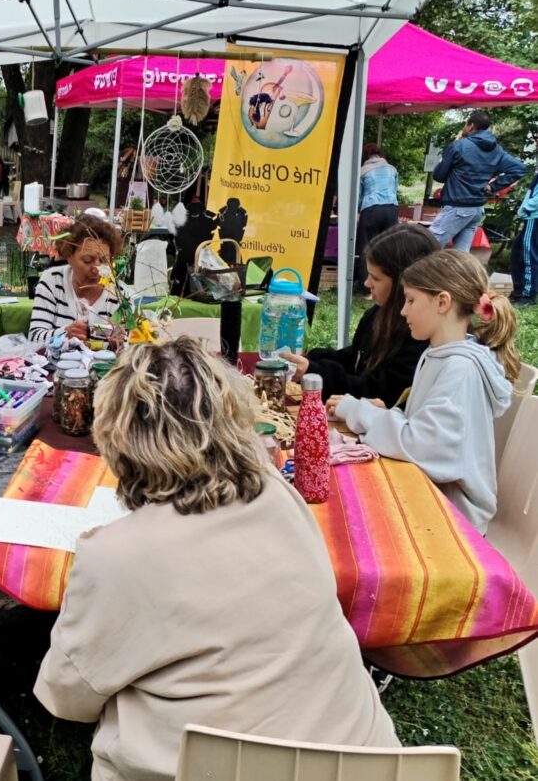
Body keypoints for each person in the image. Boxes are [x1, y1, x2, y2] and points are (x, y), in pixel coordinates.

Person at [34, 338, 400, 780]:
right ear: (235, 418)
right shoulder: (278, 494)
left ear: (118, 437)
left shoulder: (115, 554)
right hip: (358, 765)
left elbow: (68, 695)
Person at [333, 250, 517, 533]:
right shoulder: (440, 354)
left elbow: (421, 446)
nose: (403, 310)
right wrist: (386, 413)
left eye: (410, 300)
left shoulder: (459, 369)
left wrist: (358, 411)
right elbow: (427, 430)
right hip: (433, 498)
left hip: (454, 518)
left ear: (442, 302)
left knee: (349, 520)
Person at [281, 224, 438, 407]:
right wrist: (314, 358)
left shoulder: (421, 336)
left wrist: (316, 372)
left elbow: (380, 393)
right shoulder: (377, 316)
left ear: (404, 283)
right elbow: (357, 357)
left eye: (376, 278)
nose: (366, 283)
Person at [429, 111, 526, 253]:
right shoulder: (496, 150)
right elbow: (520, 169)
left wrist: (447, 155)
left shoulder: (459, 145)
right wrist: (493, 187)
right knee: (461, 255)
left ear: (471, 126)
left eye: (465, 124)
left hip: (457, 206)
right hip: (477, 209)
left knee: (426, 247)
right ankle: (461, 276)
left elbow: (439, 176)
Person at [28, 215, 123, 344]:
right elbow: (34, 339)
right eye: (87, 260)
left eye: (104, 261)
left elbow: (135, 343)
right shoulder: (52, 281)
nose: (97, 268)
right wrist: (65, 333)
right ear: (68, 255)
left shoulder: (119, 294)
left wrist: (120, 343)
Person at [355, 143, 399, 293]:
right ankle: (390, 287)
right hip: (391, 208)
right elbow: (394, 190)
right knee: (390, 248)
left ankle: (366, 289)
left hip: (371, 208)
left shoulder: (363, 171)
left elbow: (359, 197)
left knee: (367, 249)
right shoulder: (392, 169)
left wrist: (358, 212)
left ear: (365, 157)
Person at [510, 170, 538, 305]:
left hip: (534, 216)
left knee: (529, 255)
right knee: (517, 254)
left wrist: (526, 208)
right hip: (532, 216)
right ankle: (519, 290)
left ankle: (528, 294)